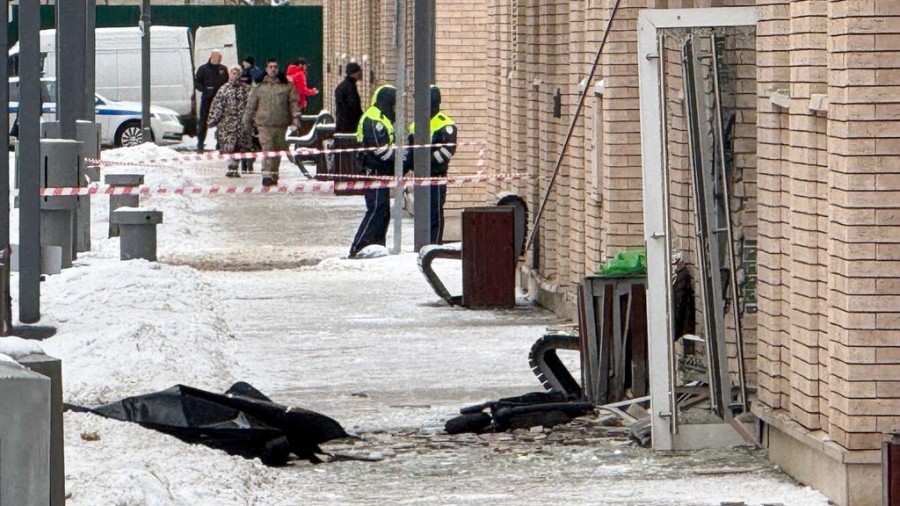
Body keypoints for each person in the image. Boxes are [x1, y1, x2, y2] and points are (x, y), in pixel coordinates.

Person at [349, 85, 397, 258]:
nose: (395, 108)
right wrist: (402, 158)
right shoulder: (373, 119)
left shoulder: (381, 117)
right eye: (393, 103)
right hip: (373, 169)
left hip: (380, 171)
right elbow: (380, 150)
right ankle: (359, 247)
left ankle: (376, 246)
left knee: (383, 210)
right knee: (376, 209)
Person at [406, 85, 457, 244]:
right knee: (421, 213)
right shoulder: (416, 124)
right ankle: (422, 244)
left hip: (436, 176)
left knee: (435, 212)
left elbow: (448, 151)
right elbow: (411, 149)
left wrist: (427, 162)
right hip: (420, 177)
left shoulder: (445, 124)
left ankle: (435, 244)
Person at [243, 58, 301, 187]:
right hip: (264, 124)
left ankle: (274, 173)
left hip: (281, 123)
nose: (273, 69)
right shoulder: (259, 86)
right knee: (268, 148)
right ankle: (267, 174)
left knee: (278, 150)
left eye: (275, 67)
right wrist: (246, 121)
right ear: (266, 69)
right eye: (270, 67)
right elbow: (251, 104)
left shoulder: (287, 85)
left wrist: (296, 117)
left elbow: (293, 102)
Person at [207, 66, 255, 178]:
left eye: (237, 73)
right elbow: (217, 106)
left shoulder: (246, 89)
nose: (235, 75)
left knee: (241, 146)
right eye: (233, 73)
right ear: (229, 74)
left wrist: (254, 121)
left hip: (242, 124)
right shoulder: (224, 90)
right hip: (227, 125)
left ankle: (238, 166)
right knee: (229, 147)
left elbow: (252, 106)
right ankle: (231, 167)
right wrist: (212, 120)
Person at [194, 49, 229, 153]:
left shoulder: (223, 69)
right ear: (213, 56)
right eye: (218, 56)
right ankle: (200, 144)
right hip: (207, 99)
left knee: (221, 121)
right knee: (203, 122)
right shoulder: (203, 69)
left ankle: (219, 143)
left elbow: (227, 82)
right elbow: (197, 83)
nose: (220, 58)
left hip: (220, 100)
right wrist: (205, 89)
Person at [334, 62, 363, 134]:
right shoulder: (349, 88)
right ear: (354, 73)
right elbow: (353, 107)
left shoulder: (344, 86)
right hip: (349, 127)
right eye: (359, 71)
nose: (361, 74)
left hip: (342, 125)